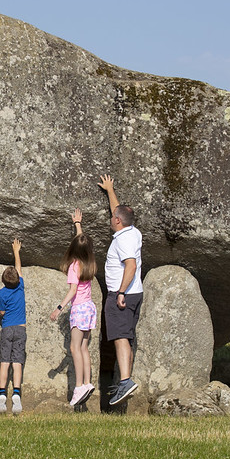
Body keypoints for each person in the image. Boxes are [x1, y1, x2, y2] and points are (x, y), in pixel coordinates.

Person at [97, 174, 143, 406]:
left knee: (120, 338)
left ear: (117, 221)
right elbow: (119, 212)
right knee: (125, 337)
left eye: (113, 217)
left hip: (122, 295)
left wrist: (121, 292)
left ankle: (125, 380)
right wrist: (110, 191)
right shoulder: (131, 231)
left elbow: (131, 265)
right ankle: (124, 380)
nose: (111, 218)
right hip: (135, 292)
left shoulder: (124, 240)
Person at [50, 208, 97, 407]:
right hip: (90, 308)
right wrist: (78, 224)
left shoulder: (74, 267)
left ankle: (79, 386)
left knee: (74, 347)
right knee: (84, 347)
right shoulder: (90, 263)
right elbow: (82, 244)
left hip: (78, 309)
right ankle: (87, 382)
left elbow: (72, 291)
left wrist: (59, 308)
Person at [0, 238, 26, 415]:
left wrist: (1, 313)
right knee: (17, 362)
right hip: (21, 329)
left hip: (6, 329)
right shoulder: (20, 286)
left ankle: (1, 395)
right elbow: (19, 269)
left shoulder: (1, 293)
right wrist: (16, 251)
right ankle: (16, 394)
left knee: (4, 362)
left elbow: (1, 312)